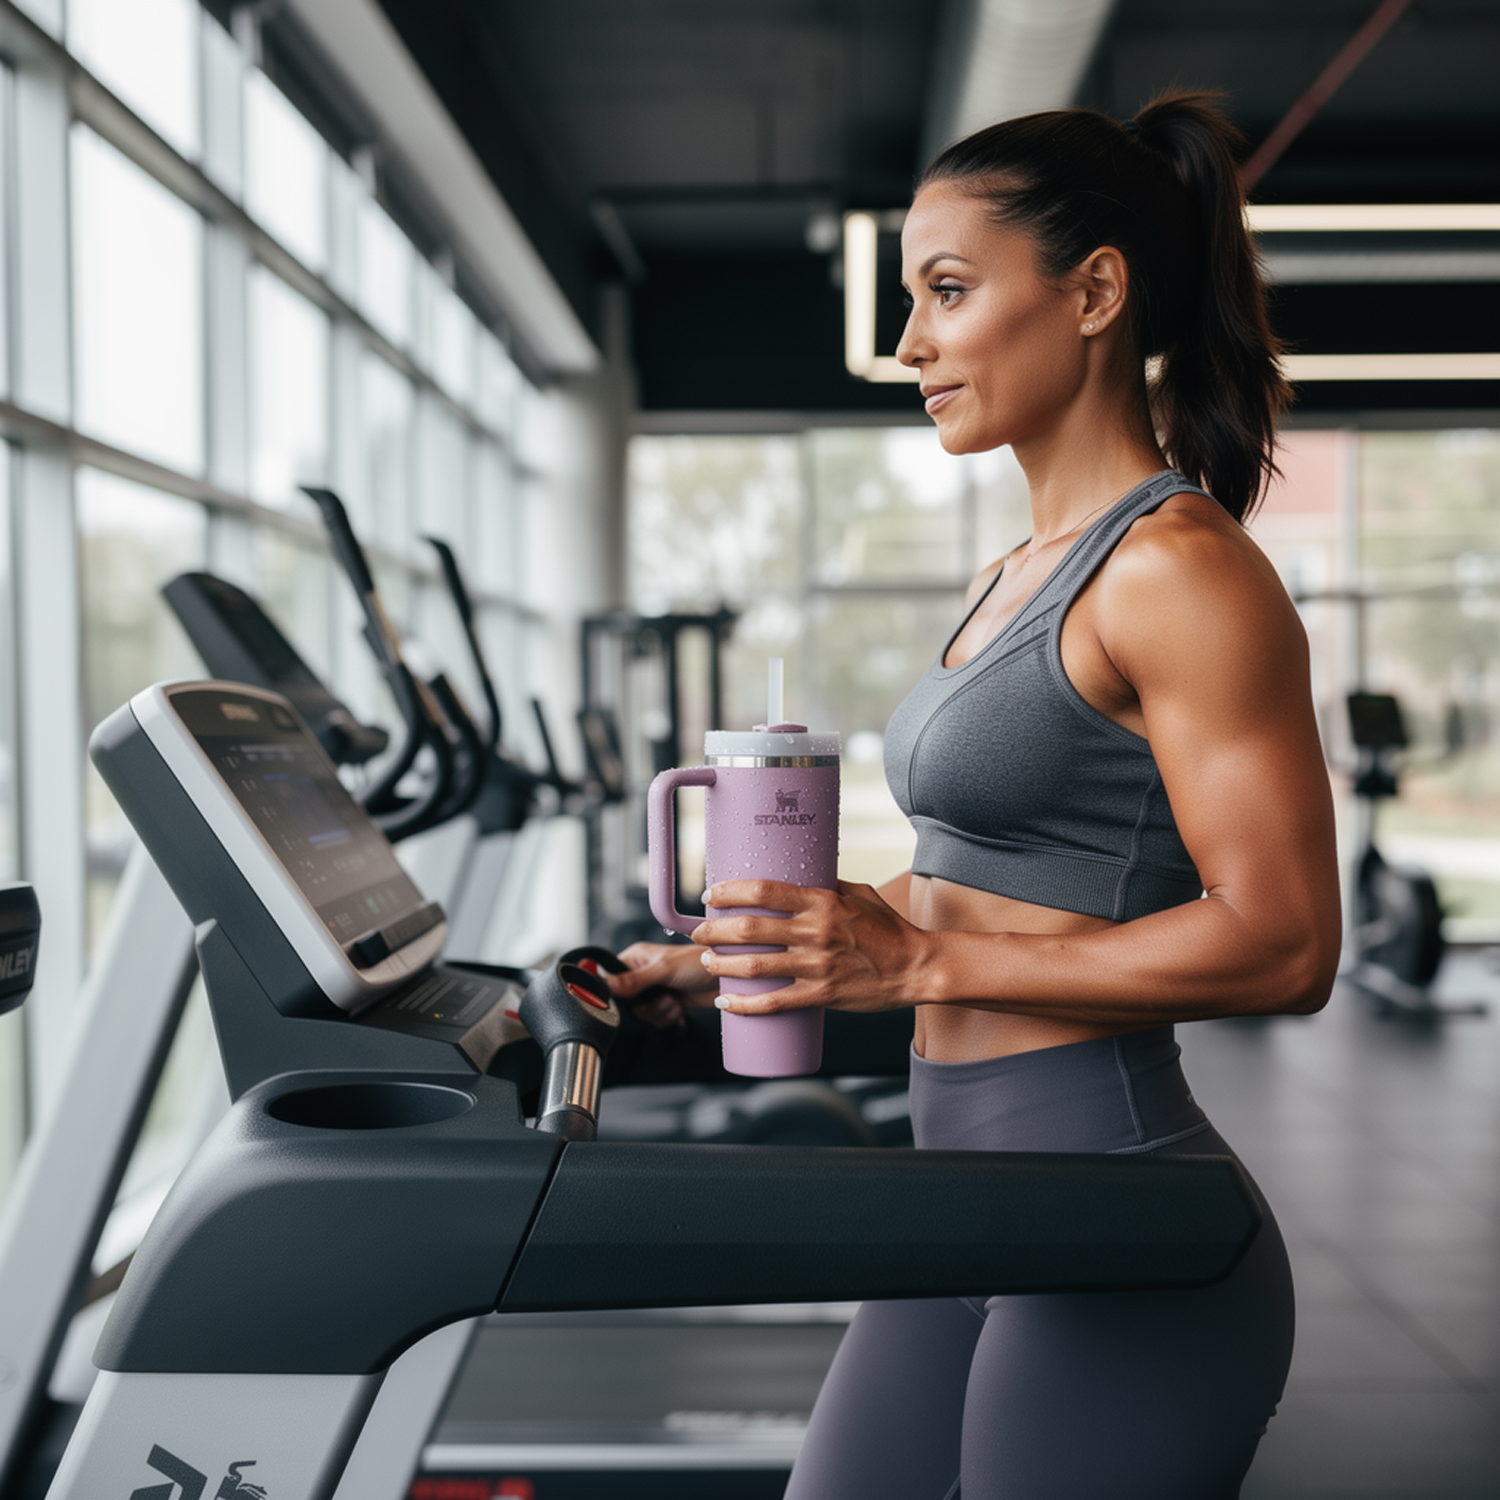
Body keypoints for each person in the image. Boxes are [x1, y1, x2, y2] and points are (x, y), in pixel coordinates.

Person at [608, 93, 1341, 1499]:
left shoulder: (1178, 569)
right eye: (909, 300)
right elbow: (980, 877)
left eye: (947, 291)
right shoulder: (1016, 573)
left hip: (1116, 1207)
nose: (908, 345)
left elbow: (1290, 943)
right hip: (964, 1189)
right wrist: (745, 954)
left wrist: (921, 960)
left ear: (1094, 293)